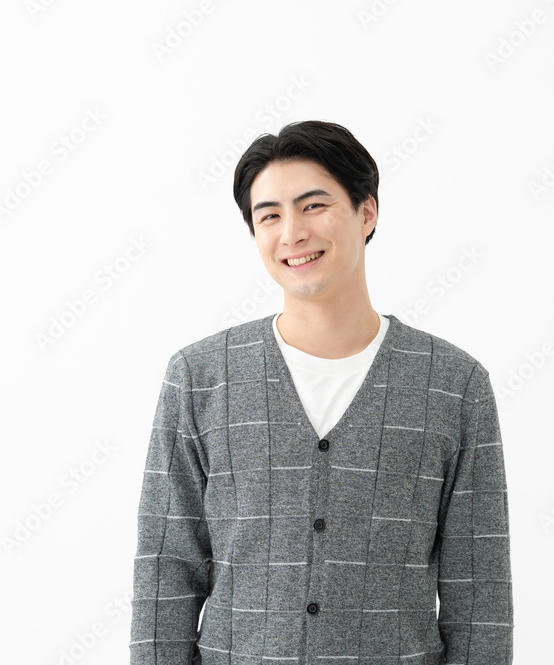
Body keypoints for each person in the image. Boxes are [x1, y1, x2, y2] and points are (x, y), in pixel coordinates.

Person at [129, 120, 513, 664]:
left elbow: (480, 593)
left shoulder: (454, 385)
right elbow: (166, 571)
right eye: (269, 216)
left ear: (367, 212)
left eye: (313, 206)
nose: (292, 233)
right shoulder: (200, 377)